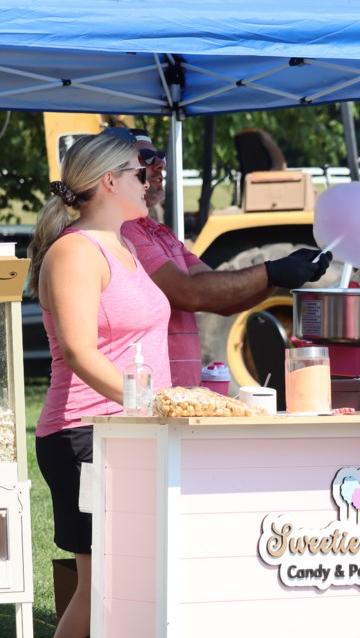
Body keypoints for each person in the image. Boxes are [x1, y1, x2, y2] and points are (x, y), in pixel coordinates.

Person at [27, 133, 173, 638]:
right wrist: (157, 403)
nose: (148, 177)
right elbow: (79, 352)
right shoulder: (76, 252)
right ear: (110, 181)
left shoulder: (126, 243)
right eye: (139, 170)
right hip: (86, 438)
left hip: (130, 431)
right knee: (101, 590)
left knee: (131, 582)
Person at [106, 127, 333, 387]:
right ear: (113, 172)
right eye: (146, 158)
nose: (159, 166)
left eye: (160, 157)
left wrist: (281, 276)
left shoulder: (159, 232)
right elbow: (189, 293)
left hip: (168, 398)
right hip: (144, 400)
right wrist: (272, 272)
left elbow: (219, 297)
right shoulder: (125, 231)